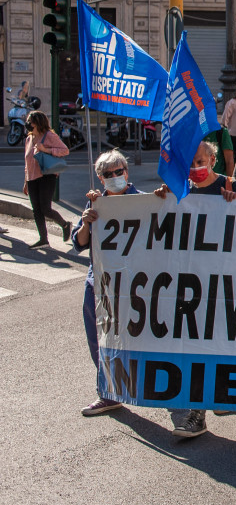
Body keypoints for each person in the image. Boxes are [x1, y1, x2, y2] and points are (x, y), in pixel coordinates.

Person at [153, 141, 236, 438]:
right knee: (195, 345)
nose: (195, 166)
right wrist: (161, 200)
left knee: (221, 341)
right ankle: (197, 412)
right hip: (190, 285)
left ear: (213, 159)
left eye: (200, 160)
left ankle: (219, 394)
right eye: (190, 161)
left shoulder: (233, 187)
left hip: (224, 281)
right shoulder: (180, 189)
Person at [72, 150, 140, 417]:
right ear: (100, 178)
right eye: (108, 174)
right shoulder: (96, 203)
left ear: (127, 172)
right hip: (98, 282)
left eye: (118, 171)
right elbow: (79, 243)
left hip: (135, 283)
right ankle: (108, 392)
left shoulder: (143, 201)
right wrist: (87, 222)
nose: (114, 177)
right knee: (99, 337)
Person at [22, 110, 70, 247]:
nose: (28, 124)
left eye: (30, 122)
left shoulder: (49, 136)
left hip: (46, 176)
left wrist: (46, 150)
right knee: (36, 210)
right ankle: (43, 239)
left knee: (45, 209)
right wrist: (25, 181)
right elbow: (27, 163)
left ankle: (65, 225)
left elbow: (65, 150)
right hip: (32, 178)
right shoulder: (28, 139)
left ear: (38, 123)